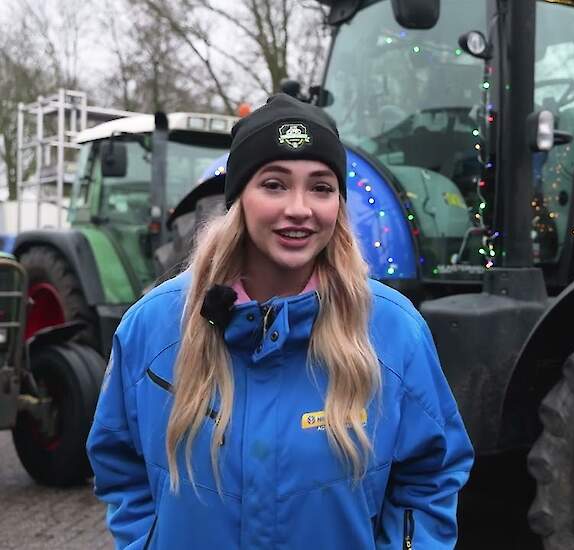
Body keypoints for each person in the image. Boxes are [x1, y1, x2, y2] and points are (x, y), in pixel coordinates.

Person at [87, 94, 475, 549]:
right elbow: (119, 464)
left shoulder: (393, 331)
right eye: (274, 184)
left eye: (321, 187)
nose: (299, 208)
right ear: (239, 200)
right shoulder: (154, 327)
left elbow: (431, 474)